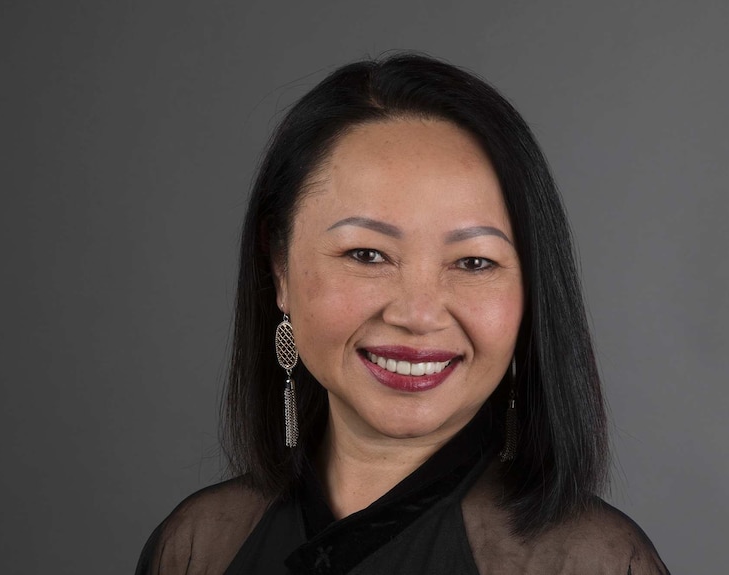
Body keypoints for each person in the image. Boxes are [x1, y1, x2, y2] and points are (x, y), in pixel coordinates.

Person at [136, 53, 670, 575]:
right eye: (367, 255)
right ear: (279, 268)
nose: (417, 314)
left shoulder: (590, 563)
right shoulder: (199, 548)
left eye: (474, 262)